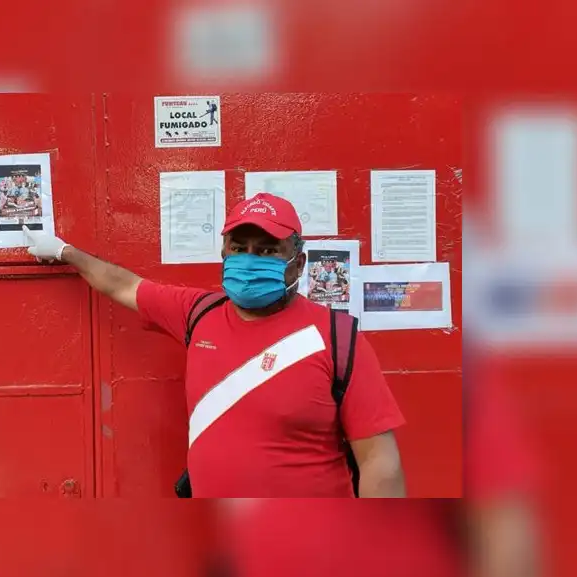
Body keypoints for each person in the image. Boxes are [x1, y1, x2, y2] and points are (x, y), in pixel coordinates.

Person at [22, 193, 406, 498]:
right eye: (239, 248)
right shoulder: (198, 312)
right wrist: (62, 251)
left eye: (268, 250)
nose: (250, 260)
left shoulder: (337, 337)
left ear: (299, 262)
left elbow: (379, 462)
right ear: (224, 254)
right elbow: (124, 285)